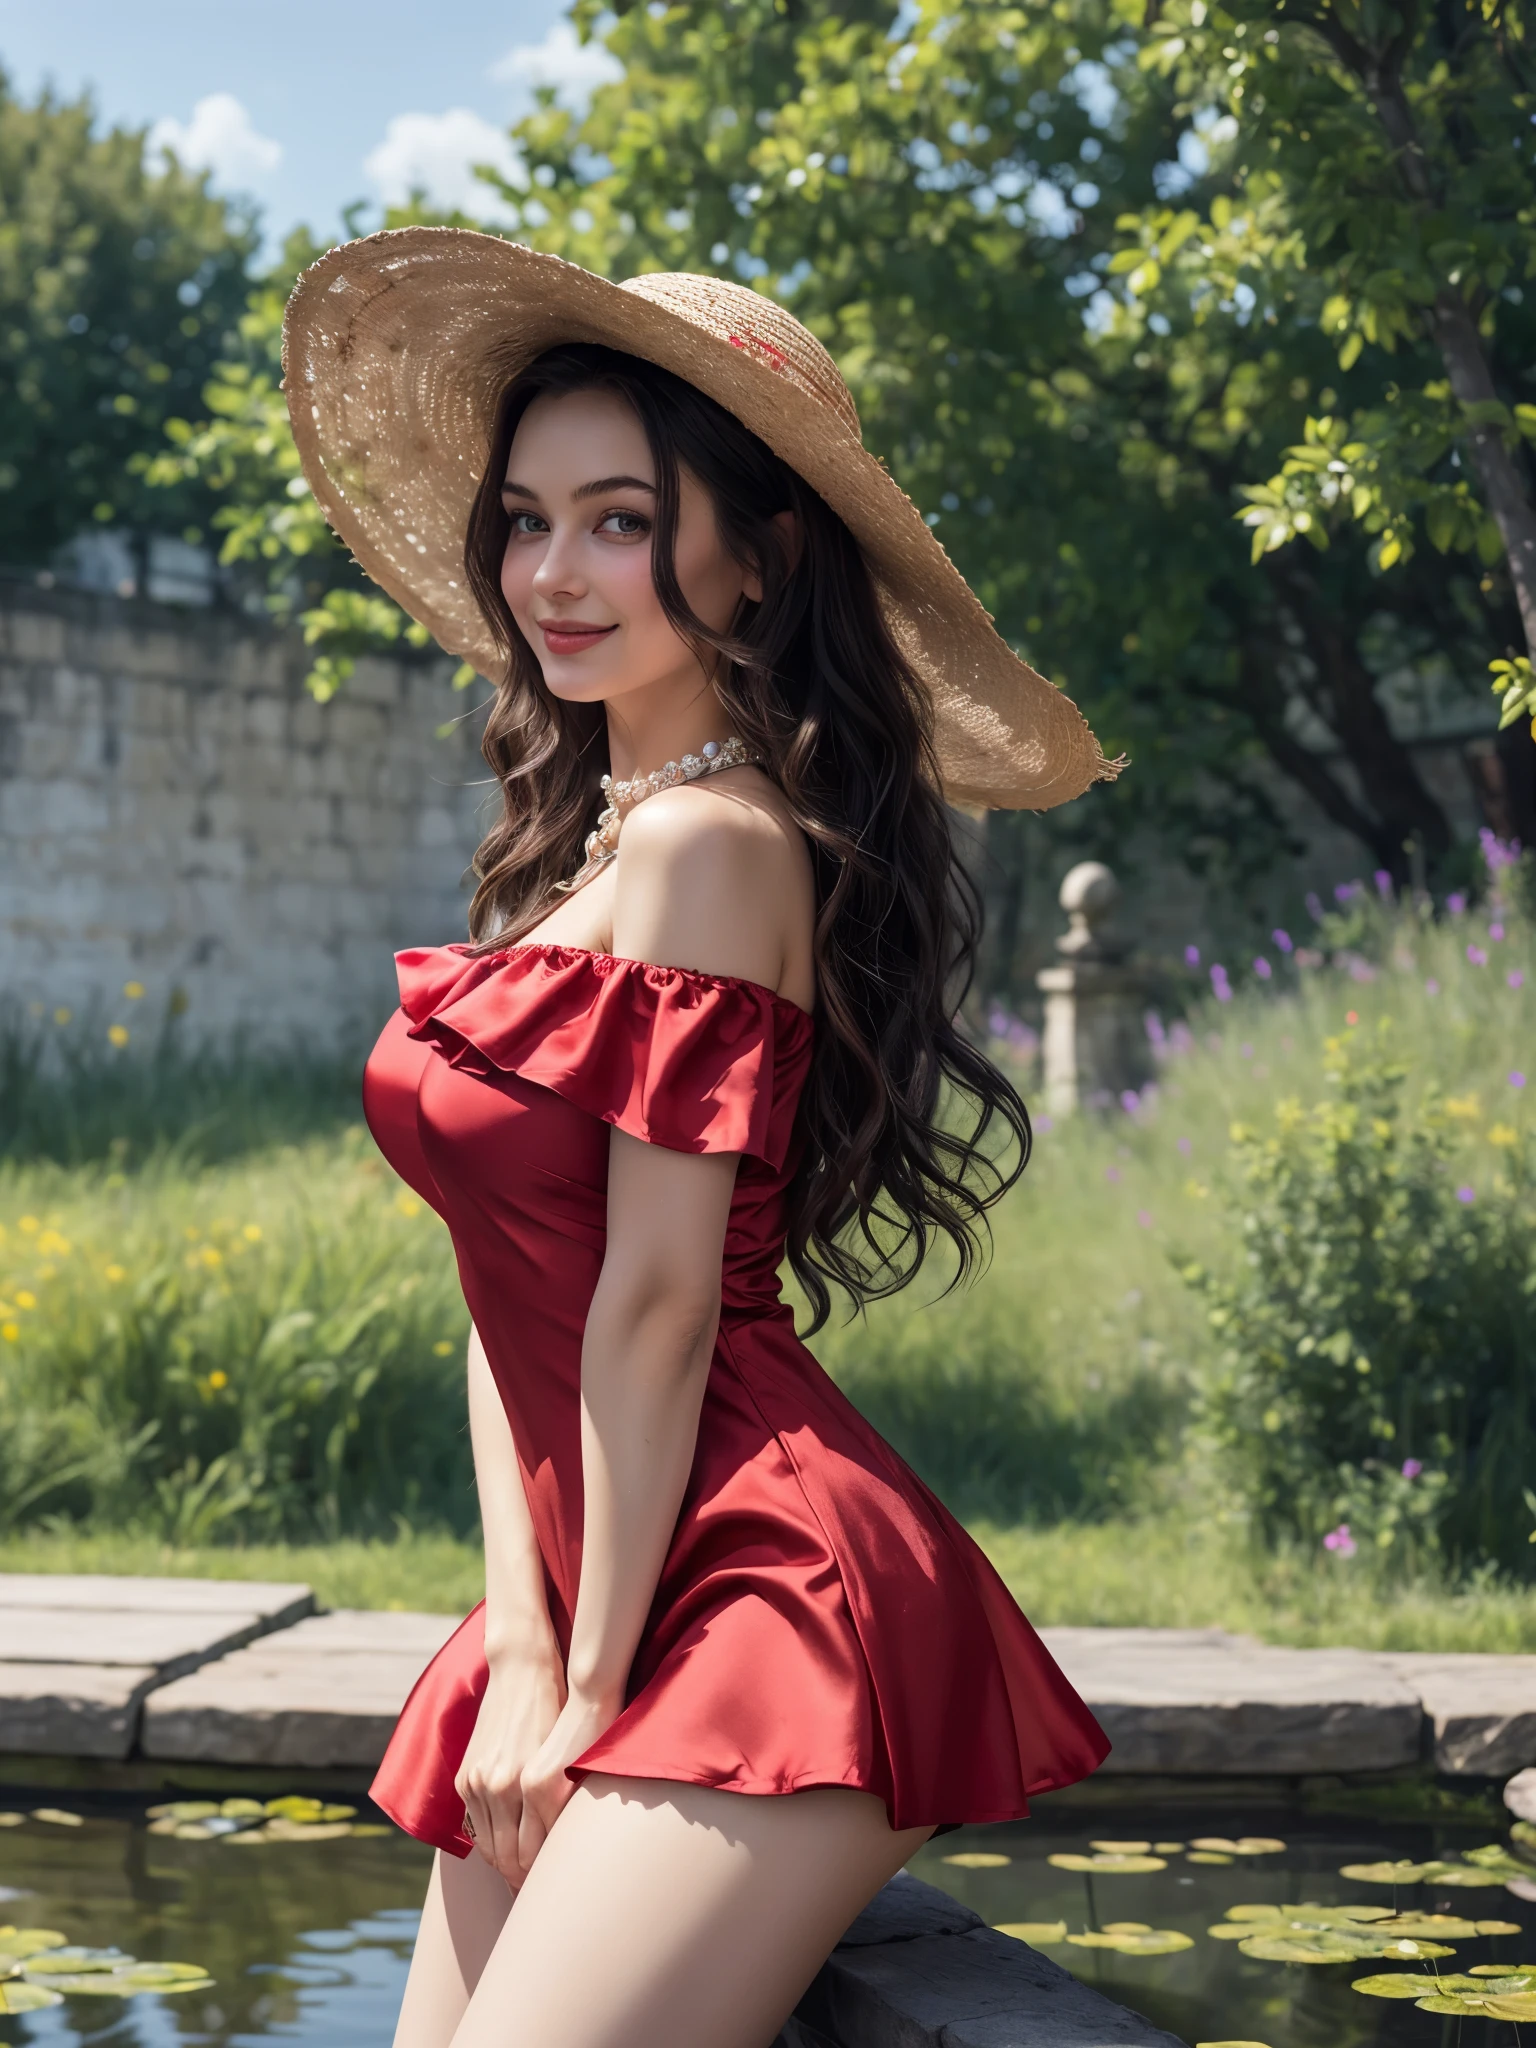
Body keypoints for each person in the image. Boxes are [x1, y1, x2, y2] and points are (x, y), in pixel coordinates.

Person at [284, 230, 1118, 2048]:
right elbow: (509, 1306)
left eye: (620, 519)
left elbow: (657, 1312)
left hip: (759, 1579)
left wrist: (574, 1689)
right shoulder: (584, 854)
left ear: (763, 551)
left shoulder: (709, 848)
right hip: (593, 1585)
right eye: (524, 518)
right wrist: (516, 1642)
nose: (552, 574)